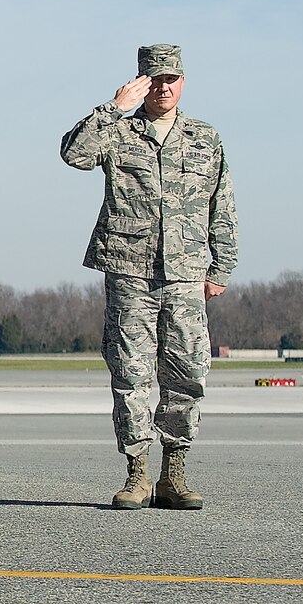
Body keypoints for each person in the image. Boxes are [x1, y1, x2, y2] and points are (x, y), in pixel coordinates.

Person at [62, 44, 237, 510]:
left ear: (183, 82)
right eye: (153, 80)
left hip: (185, 273)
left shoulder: (205, 138)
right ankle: (137, 473)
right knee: (131, 373)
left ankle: (173, 474)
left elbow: (222, 203)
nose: (162, 88)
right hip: (129, 271)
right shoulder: (119, 130)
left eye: (170, 79)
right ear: (140, 81)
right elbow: (73, 154)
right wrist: (112, 109)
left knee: (187, 371)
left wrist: (222, 266)